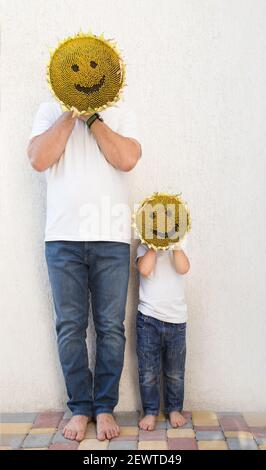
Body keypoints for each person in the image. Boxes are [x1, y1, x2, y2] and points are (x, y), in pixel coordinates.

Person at [27, 100, 141, 441]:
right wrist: (69, 114)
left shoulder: (121, 112)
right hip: (63, 239)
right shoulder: (49, 111)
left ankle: (104, 406)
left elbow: (127, 159)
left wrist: (92, 117)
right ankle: (80, 407)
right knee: (70, 327)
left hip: (112, 237)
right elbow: (38, 159)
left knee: (110, 326)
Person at [136, 240, 190, 430]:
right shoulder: (143, 246)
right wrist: (153, 246)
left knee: (175, 372)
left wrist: (175, 245)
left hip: (177, 320)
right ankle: (150, 411)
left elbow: (183, 268)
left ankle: (174, 408)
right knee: (148, 372)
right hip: (148, 319)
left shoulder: (179, 245)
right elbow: (144, 269)